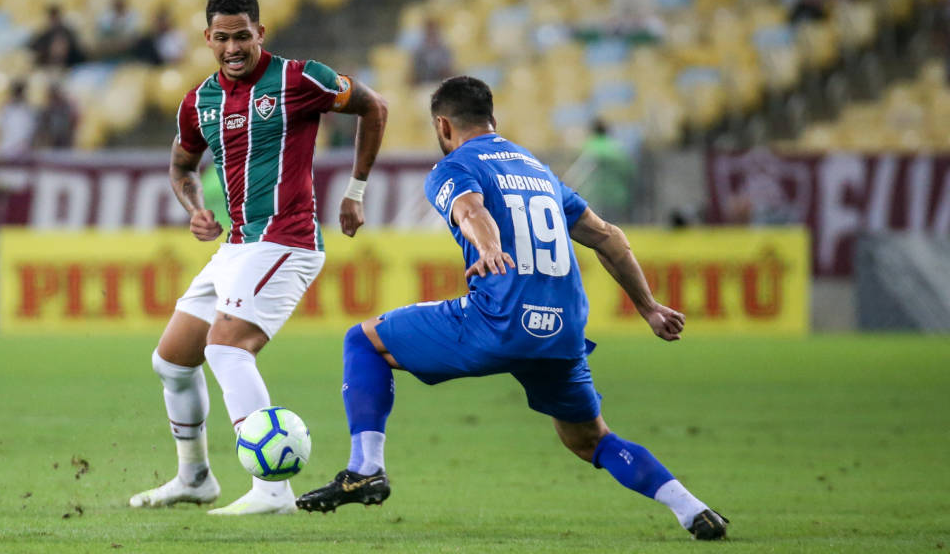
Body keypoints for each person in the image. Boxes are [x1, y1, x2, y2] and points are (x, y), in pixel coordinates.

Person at [296, 76, 728, 541]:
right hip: (561, 333)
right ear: (493, 119)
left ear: (443, 125)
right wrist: (649, 308)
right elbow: (609, 238)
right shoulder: (537, 170)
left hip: (497, 322)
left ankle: (365, 469)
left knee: (363, 340)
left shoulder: (454, 167)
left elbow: (470, 210)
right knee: (590, 440)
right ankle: (691, 508)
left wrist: (489, 246)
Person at [127, 0, 388, 516]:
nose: (232, 48)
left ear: (260, 33)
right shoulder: (199, 100)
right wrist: (195, 207)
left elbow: (373, 106)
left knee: (226, 349)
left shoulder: (299, 78)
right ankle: (195, 478)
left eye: (241, 36)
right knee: (172, 363)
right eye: (221, 38)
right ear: (207, 38)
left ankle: (273, 490)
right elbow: (182, 168)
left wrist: (356, 191)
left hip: (287, 240)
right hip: (238, 245)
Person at [28, 4, 86, 69]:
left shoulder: (68, 33)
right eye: (52, 18)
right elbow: (32, 48)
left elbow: (79, 53)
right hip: (49, 66)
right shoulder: (44, 34)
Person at [0, 79, 37, 157]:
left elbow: (31, 129)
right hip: (7, 149)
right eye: (16, 92)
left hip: (23, 150)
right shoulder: (6, 109)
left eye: (20, 92)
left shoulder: (28, 109)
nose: (18, 95)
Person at [33, 83, 79, 149]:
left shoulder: (66, 107)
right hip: (52, 141)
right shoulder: (47, 109)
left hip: (65, 140)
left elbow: (74, 121)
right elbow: (42, 127)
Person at [410, 18, 454, 85]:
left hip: (441, 85)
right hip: (423, 86)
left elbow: (449, 72)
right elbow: (415, 74)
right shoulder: (418, 51)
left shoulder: (445, 50)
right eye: (429, 32)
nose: (431, 34)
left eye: (434, 32)